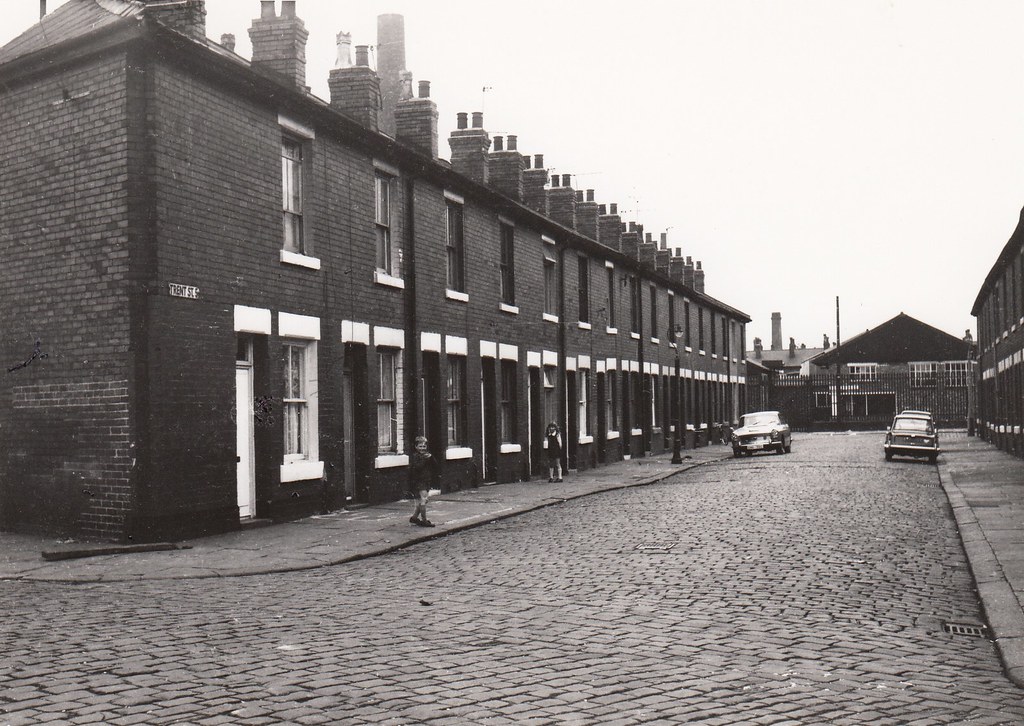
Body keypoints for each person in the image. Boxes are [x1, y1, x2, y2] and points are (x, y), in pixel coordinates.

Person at [408, 436, 440, 527]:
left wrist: (431, 457)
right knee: (424, 499)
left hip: (426, 480)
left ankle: (414, 518)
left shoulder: (426, 455)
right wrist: (425, 459)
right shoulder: (415, 456)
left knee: (423, 500)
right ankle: (424, 520)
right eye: (420, 446)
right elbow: (418, 467)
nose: (422, 448)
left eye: (424, 446)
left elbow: (435, 465)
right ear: (416, 447)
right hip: (419, 480)